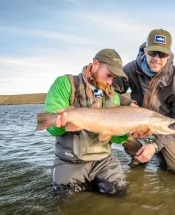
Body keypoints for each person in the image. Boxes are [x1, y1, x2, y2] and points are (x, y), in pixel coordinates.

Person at [43, 48, 139, 196]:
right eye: (108, 75)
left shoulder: (113, 96)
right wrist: (60, 125)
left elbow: (113, 137)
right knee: (68, 201)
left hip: (103, 161)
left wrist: (126, 133)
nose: (110, 82)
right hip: (69, 161)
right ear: (95, 64)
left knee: (120, 193)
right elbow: (51, 127)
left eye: (113, 78)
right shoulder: (65, 83)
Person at [113, 29, 175, 175]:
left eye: (162, 54)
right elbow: (110, 92)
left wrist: (155, 145)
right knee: (114, 125)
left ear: (168, 55)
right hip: (135, 122)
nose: (156, 58)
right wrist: (126, 103)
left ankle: (158, 150)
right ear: (145, 51)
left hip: (162, 125)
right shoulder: (131, 69)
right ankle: (137, 155)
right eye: (152, 53)